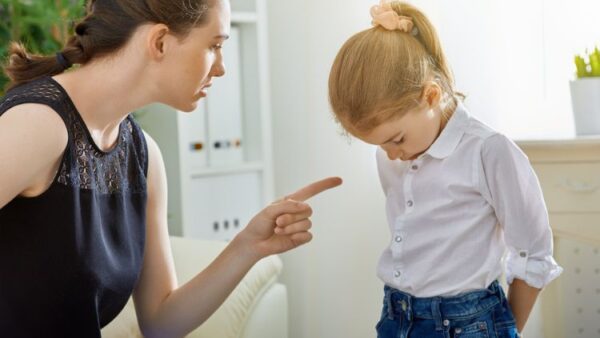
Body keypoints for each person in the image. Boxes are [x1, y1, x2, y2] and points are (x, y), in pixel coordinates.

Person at [0, 0, 342, 336]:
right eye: (214, 45)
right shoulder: (39, 125)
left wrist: (247, 246)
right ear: (159, 42)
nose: (221, 67)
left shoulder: (143, 155)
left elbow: (160, 321)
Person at [328, 1, 561, 337]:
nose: (391, 155)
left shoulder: (488, 151)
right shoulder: (394, 156)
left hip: (469, 323)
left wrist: (505, 329)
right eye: (379, 145)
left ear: (431, 96)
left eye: (396, 139)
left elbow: (533, 253)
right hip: (397, 315)